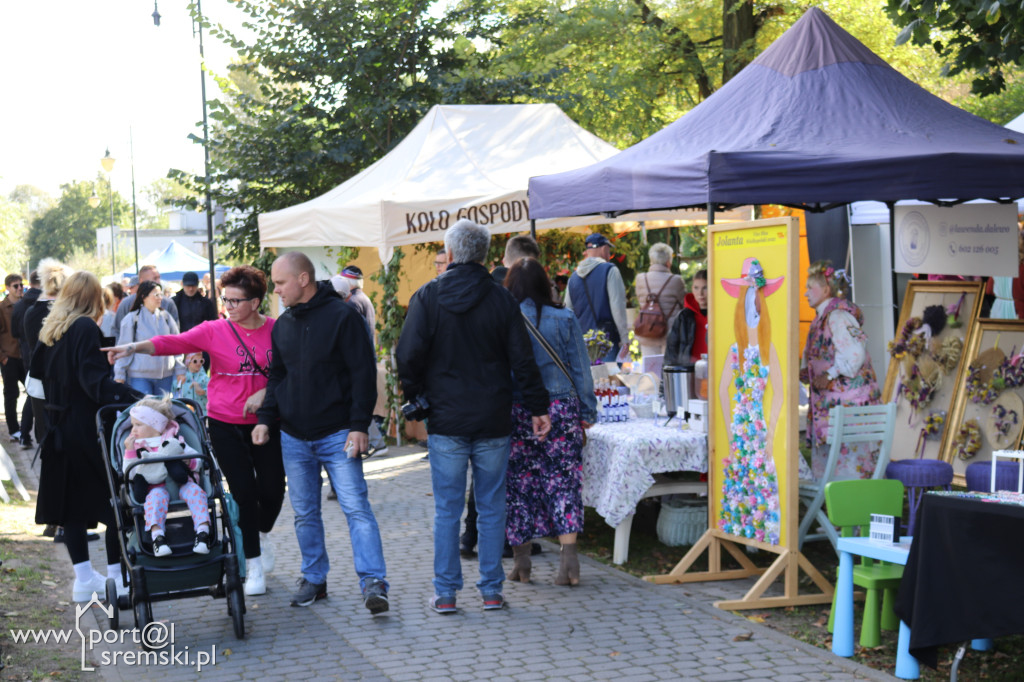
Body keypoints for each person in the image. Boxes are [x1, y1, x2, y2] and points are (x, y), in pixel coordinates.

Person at [397, 219, 550, 614]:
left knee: (447, 510)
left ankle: (446, 594)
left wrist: (416, 395)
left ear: (448, 253)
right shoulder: (501, 300)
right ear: (484, 254)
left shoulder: (428, 296)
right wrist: (538, 407)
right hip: (492, 417)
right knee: (491, 504)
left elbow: (408, 355)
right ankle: (491, 591)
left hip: (446, 419)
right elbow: (523, 359)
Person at [103, 265, 283, 597]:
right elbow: (172, 342)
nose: (229, 307)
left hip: (265, 423)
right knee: (244, 493)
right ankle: (254, 565)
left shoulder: (276, 330)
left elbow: (287, 372)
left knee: (272, 490)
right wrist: (131, 348)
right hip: (225, 421)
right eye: (226, 300)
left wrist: (267, 395)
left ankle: (261, 531)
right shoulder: (216, 330)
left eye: (236, 301)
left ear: (257, 302)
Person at [253, 252, 390, 613]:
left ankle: (374, 582)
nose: (276, 290)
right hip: (294, 437)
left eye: (280, 283)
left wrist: (359, 425)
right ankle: (314, 579)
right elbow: (278, 376)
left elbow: (363, 374)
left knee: (356, 508)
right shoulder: (283, 324)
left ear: (303, 279)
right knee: (304, 514)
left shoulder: (343, 316)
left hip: (338, 434)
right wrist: (266, 419)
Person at [33, 271, 142, 601]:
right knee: (114, 504)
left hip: (56, 428)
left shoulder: (51, 330)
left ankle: (83, 580)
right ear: (93, 298)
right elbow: (93, 383)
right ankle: (115, 578)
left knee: (72, 510)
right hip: (84, 429)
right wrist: (135, 398)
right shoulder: (84, 328)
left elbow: (35, 381)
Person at [503, 258, 597, 586]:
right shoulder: (565, 318)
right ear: (546, 284)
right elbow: (581, 370)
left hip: (518, 411)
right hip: (562, 408)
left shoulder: (505, 318)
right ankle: (569, 563)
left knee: (518, 485)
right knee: (564, 480)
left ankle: (521, 564)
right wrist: (586, 413)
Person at [718, 258, 784, 545]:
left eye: (756, 300)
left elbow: (780, 392)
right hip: (742, 423)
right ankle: (743, 532)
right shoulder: (737, 348)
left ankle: (763, 535)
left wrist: (770, 435)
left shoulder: (768, 349)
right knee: (740, 480)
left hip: (756, 424)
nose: (753, 307)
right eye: (748, 300)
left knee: (760, 481)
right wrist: (731, 432)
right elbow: (722, 390)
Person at [800, 260, 881, 480]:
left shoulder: (837, 317)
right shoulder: (821, 319)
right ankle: (834, 504)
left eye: (810, 287)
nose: (806, 293)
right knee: (833, 460)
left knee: (850, 463)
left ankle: (852, 506)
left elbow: (855, 355)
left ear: (826, 290)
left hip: (849, 407)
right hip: (832, 407)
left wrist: (830, 374)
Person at [123, 396, 210, 556]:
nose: (133, 430)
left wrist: (188, 461)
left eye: (138, 425)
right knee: (154, 500)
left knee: (197, 493)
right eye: (132, 425)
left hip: (182, 484)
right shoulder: (137, 447)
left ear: (156, 426)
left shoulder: (175, 440)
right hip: (155, 488)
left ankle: (202, 532)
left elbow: (198, 462)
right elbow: (130, 473)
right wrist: (129, 452)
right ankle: (158, 537)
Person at [564, 233, 628, 362]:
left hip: (583, 342)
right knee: (609, 379)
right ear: (604, 249)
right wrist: (625, 338)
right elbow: (617, 307)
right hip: (606, 342)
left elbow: (568, 312)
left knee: (590, 381)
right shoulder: (610, 270)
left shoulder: (573, 278)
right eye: (608, 249)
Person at [113, 280, 184, 395]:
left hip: (166, 376)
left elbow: (176, 344)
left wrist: (180, 369)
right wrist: (119, 374)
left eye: (161, 294)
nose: (160, 298)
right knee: (144, 411)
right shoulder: (132, 319)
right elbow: (124, 348)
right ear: (143, 296)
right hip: (140, 377)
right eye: (156, 295)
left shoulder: (166, 317)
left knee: (164, 411)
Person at [634, 243, 686, 357]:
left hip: (647, 331)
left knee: (651, 371)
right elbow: (683, 305)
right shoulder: (676, 280)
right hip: (670, 334)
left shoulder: (641, 279)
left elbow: (641, 301)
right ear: (668, 262)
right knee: (669, 371)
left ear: (651, 260)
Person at [10, 269, 39, 448]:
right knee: (34, 395)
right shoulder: (42, 303)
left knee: (32, 394)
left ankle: (25, 434)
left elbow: (15, 332)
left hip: (27, 355)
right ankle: (30, 434)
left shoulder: (20, 306)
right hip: (37, 355)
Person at [0, 274, 27, 442]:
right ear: (8, 288)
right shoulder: (2, 308)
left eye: (21, 285)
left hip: (25, 357)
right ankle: (13, 430)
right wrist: (2, 357)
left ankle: (27, 428)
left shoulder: (25, 305)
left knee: (33, 392)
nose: (19, 288)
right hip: (9, 357)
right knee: (11, 395)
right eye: (15, 286)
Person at [665, 268, 709, 368]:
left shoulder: (719, 315)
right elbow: (671, 350)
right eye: (696, 288)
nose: (700, 293)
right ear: (692, 288)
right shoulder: (684, 316)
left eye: (705, 288)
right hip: (689, 371)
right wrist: (666, 380)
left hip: (715, 370)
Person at [114, 265, 179, 329]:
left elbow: (175, 332)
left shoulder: (168, 303)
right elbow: (117, 330)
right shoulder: (126, 304)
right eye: (155, 278)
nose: (158, 281)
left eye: (159, 277)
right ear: (142, 281)